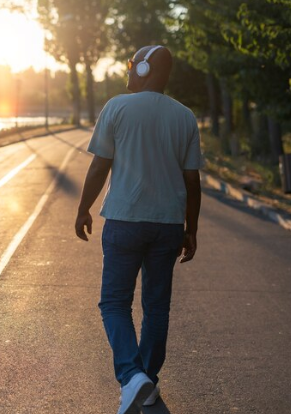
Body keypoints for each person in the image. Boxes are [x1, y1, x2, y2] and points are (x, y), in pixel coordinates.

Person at [74, 45, 203, 414]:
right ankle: (146, 381)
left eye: (131, 67)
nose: (127, 73)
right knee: (156, 308)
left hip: (125, 221)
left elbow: (100, 166)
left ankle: (132, 376)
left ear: (144, 69)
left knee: (114, 303)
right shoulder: (185, 116)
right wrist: (190, 229)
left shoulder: (117, 107)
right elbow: (191, 181)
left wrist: (83, 208)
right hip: (167, 226)